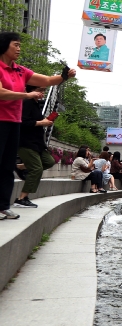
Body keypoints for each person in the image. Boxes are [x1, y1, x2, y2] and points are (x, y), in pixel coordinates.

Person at [1, 32, 77, 218]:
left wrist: (64, 76)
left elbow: (48, 81)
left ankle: (3, 205)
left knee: (7, 166)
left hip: (14, 123)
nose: (19, 49)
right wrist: (27, 95)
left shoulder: (21, 70)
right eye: (15, 45)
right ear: (4, 45)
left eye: (20, 45)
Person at [13, 85, 55, 208]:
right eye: (39, 91)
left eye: (43, 91)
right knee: (37, 169)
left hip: (38, 143)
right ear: (30, 91)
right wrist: (42, 122)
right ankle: (21, 198)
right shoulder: (26, 102)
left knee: (49, 161)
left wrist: (45, 121)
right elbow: (23, 122)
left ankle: (20, 166)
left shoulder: (36, 104)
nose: (42, 93)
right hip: (27, 142)